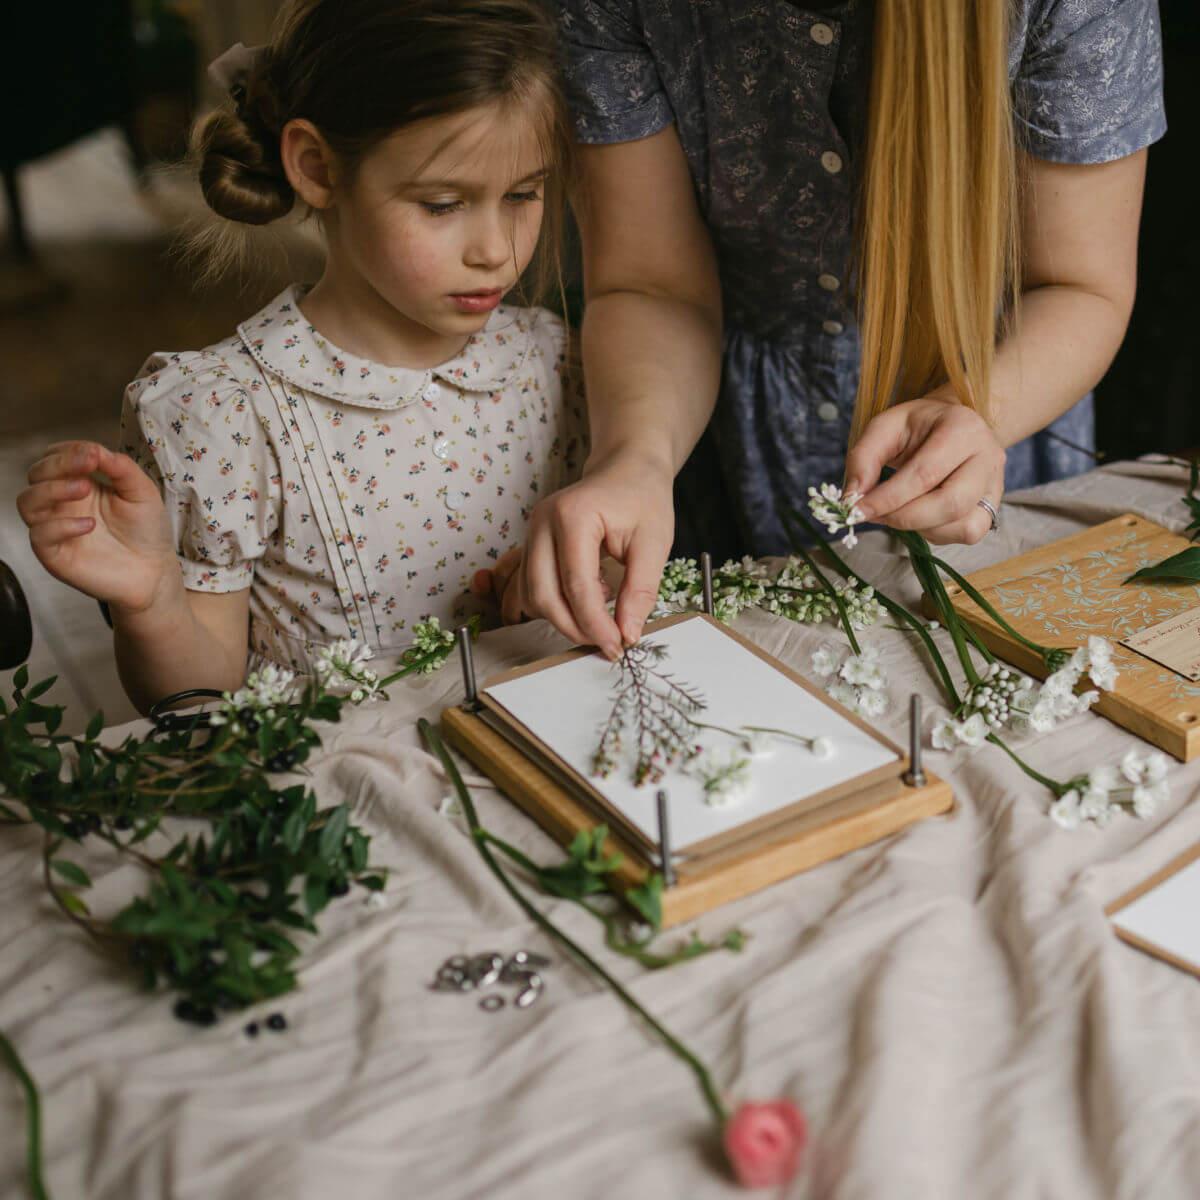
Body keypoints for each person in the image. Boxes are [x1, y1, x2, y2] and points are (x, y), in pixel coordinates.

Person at [494, 0, 1165, 661]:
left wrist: (973, 411)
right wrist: (634, 461)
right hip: (716, 427)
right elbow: (651, 283)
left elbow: (1080, 285)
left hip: (1009, 413)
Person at [15, 0, 584, 713]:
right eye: (443, 204)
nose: (495, 250)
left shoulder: (554, 362)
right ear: (317, 167)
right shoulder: (223, 414)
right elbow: (198, 698)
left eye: (524, 194)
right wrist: (153, 597)